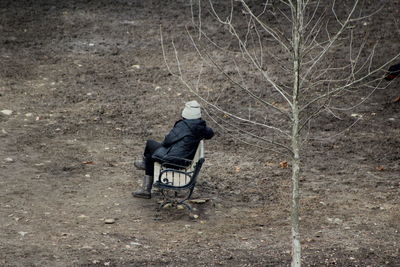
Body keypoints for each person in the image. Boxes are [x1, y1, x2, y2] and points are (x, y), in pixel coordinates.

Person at [132, 100, 214, 199]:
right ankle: (146, 166)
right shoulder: (201, 127)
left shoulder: (182, 126)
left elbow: (166, 142)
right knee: (151, 153)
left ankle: (146, 188)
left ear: (185, 113)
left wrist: (169, 138)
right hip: (184, 159)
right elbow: (210, 133)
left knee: (150, 145)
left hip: (174, 160)